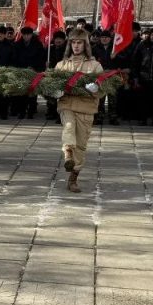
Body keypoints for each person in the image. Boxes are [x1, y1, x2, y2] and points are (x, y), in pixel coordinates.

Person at [55, 28, 104, 193]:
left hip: (86, 107)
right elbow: (50, 85)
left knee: (81, 146)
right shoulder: (61, 65)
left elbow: (105, 89)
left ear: (85, 44)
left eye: (79, 42)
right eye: (73, 42)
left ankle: (73, 178)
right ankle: (68, 153)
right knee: (68, 127)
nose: (76, 46)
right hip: (67, 105)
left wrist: (96, 88)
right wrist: (54, 92)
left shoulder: (95, 65)